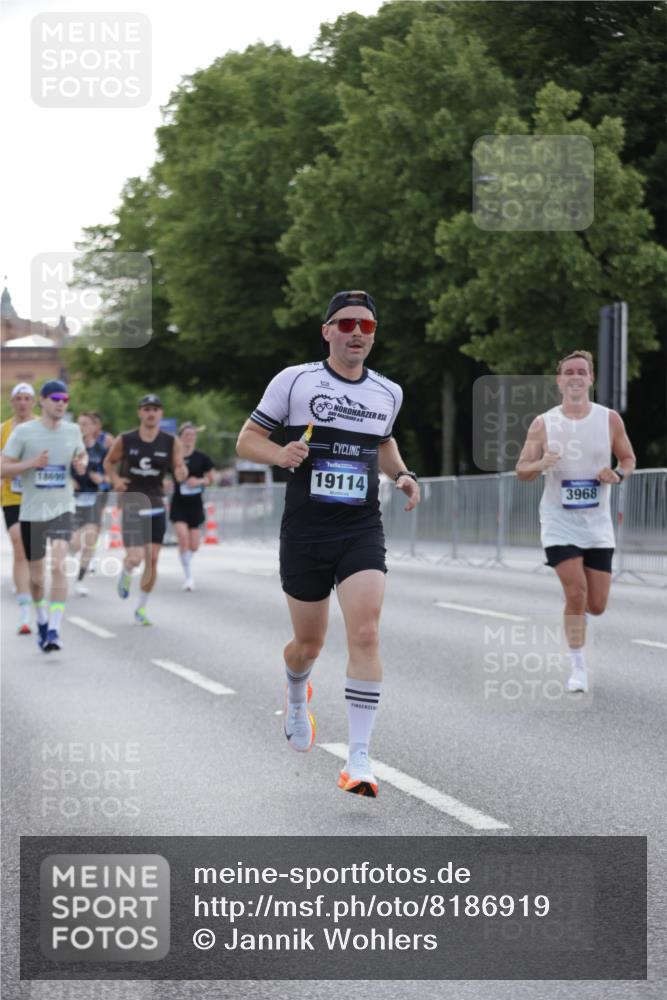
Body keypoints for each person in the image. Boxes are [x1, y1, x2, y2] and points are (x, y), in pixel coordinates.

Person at [236, 290, 420, 797]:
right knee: (309, 644)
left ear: (373, 335)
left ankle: (358, 759)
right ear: (327, 331)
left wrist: (403, 475)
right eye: (345, 324)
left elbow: (383, 442)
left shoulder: (388, 392)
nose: (356, 332)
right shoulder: (295, 381)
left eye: (366, 325)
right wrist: (280, 454)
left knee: (366, 631)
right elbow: (246, 440)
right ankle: (297, 693)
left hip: (361, 527)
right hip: (306, 531)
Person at [516, 350, 636, 692]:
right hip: (558, 521)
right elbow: (522, 470)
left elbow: (628, 458)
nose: (575, 377)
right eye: (568, 372)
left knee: (596, 605)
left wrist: (617, 474)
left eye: (581, 371)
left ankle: (577, 611)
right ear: (559, 380)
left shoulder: (609, 419)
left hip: (597, 524)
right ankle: (578, 668)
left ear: (591, 378)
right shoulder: (543, 423)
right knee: (576, 590)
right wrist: (541, 464)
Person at [0, 380, 87, 651]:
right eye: (55, 399)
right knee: (37, 579)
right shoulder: (24, 432)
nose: (61, 403)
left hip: (62, 508)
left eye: (65, 399)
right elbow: (2, 467)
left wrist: (81, 464)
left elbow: (81, 454)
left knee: (58, 565)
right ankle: (40, 619)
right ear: (43, 401)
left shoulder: (73, 430)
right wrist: (32, 464)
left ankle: (54, 630)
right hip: (31, 512)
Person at [103, 394, 187, 625]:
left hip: (156, 504)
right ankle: (126, 571)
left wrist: (181, 473)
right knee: (135, 558)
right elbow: (108, 462)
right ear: (140, 412)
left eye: (155, 409)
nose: (151, 413)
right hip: (132, 503)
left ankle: (141, 608)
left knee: (153, 559)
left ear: (161, 413)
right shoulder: (126, 439)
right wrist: (116, 480)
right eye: (147, 409)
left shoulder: (170, 441)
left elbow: (179, 466)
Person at [1, 383, 37, 633]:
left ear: (33, 402)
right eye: (19, 398)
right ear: (12, 402)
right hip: (12, 496)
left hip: (39, 497)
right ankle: (24, 612)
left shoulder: (43, 427)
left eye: (26, 398)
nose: (22, 402)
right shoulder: (3, 429)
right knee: (18, 544)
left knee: (36, 555)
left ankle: (33, 590)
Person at [70, 411, 113, 595]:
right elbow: (61, 470)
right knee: (75, 544)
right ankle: (69, 551)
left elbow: (111, 478)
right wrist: (69, 481)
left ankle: (80, 580)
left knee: (90, 539)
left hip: (93, 500)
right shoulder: (71, 448)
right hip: (73, 501)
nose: (81, 428)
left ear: (94, 427)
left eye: (85, 424)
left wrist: (102, 479)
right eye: (79, 424)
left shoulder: (102, 451)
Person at [169, 422, 215, 591]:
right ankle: (188, 577)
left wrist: (199, 481)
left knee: (194, 546)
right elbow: (166, 476)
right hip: (178, 503)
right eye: (186, 435)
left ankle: (186, 561)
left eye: (192, 435)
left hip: (195, 504)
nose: (189, 437)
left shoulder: (202, 458)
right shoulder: (174, 457)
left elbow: (211, 479)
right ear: (180, 437)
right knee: (183, 538)